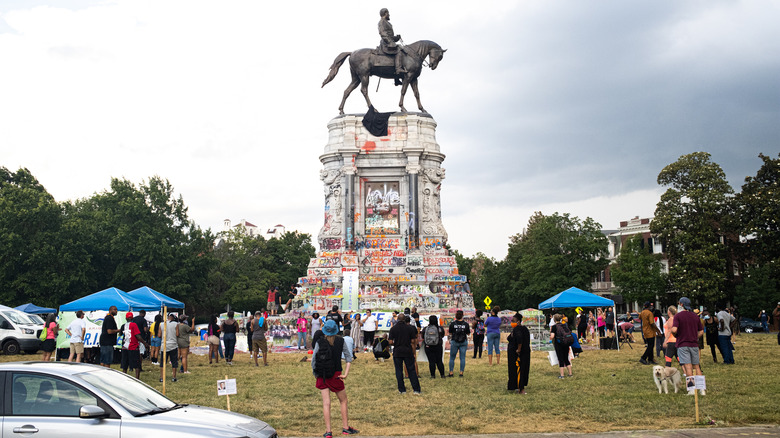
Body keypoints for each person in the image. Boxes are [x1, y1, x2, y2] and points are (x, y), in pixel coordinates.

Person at [311, 320, 358, 437]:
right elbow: (348, 357)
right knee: (343, 400)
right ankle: (345, 427)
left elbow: (313, 360)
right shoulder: (340, 341)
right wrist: (346, 374)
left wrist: (316, 373)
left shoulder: (319, 341)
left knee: (326, 403)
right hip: (336, 374)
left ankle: (328, 431)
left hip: (322, 374)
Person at [672, 297, 705, 395]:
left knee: (688, 367)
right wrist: (695, 337)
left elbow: (674, 330)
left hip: (683, 344)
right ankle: (701, 389)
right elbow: (701, 331)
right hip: (694, 344)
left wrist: (676, 335)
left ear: (681, 304)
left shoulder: (678, 316)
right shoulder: (695, 316)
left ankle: (691, 389)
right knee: (697, 366)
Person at [389, 314, 421, 394]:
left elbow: (390, 341)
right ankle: (416, 389)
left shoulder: (393, 329)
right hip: (407, 351)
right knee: (411, 370)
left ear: (397, 320)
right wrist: (413, 351)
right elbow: (413, 341)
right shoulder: (410, 328)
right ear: (405, 319)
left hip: (397, 351)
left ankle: (402, 390)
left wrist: (395, 344)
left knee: (399, 371)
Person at [507, 312, 530, 394]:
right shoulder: (522, 329)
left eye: (513, 320)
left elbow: (520, 340)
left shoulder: (518, 329)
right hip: (522, 352)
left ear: (518, 321)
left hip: (518, 353)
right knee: (517, 370)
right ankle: (515, 386)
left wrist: (518, 349)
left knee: (519, 370)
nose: (512, 322)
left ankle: (520, 388)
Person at [377, 8, 405, 76]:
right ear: (385, 13)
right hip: (386, 44)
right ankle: (398, 69)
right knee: (399, 49)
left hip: (389, 42)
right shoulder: (382, 22)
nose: (389, 14)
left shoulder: (387, 23)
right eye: (388, 13)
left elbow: (390, 36)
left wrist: (396, 38)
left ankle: (396, 78)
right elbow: (382, 33)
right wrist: (390, 42)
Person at [121, 312, 149, 379]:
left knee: (125, 365)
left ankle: (124, 377)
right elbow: (137, 336)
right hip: (133, 347)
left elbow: (121, 334)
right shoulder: (134, 325)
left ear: (126, 318)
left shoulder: (123, 325)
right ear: (132, 318)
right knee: (137, 364)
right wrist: (145, 343)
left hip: (125, 347)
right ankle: (137, 378)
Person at [448, 310, 471, 378]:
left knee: (452, 358)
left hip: (454, 341)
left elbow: (450, 333)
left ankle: (451, 372)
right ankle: (461, 373)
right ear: (462, 315)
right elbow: (468, 333)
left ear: (456, 315)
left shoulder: (452, 324)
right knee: (462, 358)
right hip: (463, 342)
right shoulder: (465, 324)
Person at [550, 314, 573, 378]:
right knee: (566, 358)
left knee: (560, 359)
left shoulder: (554, 327)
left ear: (554, 319)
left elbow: (552, 336)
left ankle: (562, 375)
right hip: (566, 343)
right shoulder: (564, 325)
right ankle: (570, 374)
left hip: (559, 344)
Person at [159, 313, 179, 382]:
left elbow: (159, 335)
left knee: (163, 362)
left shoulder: (161, 324)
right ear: (173, 318)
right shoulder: (176, 324)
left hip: (164, 345)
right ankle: (174, 377)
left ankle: (161, 377)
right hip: (173, 345)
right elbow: (177, 334)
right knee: (174, 362)